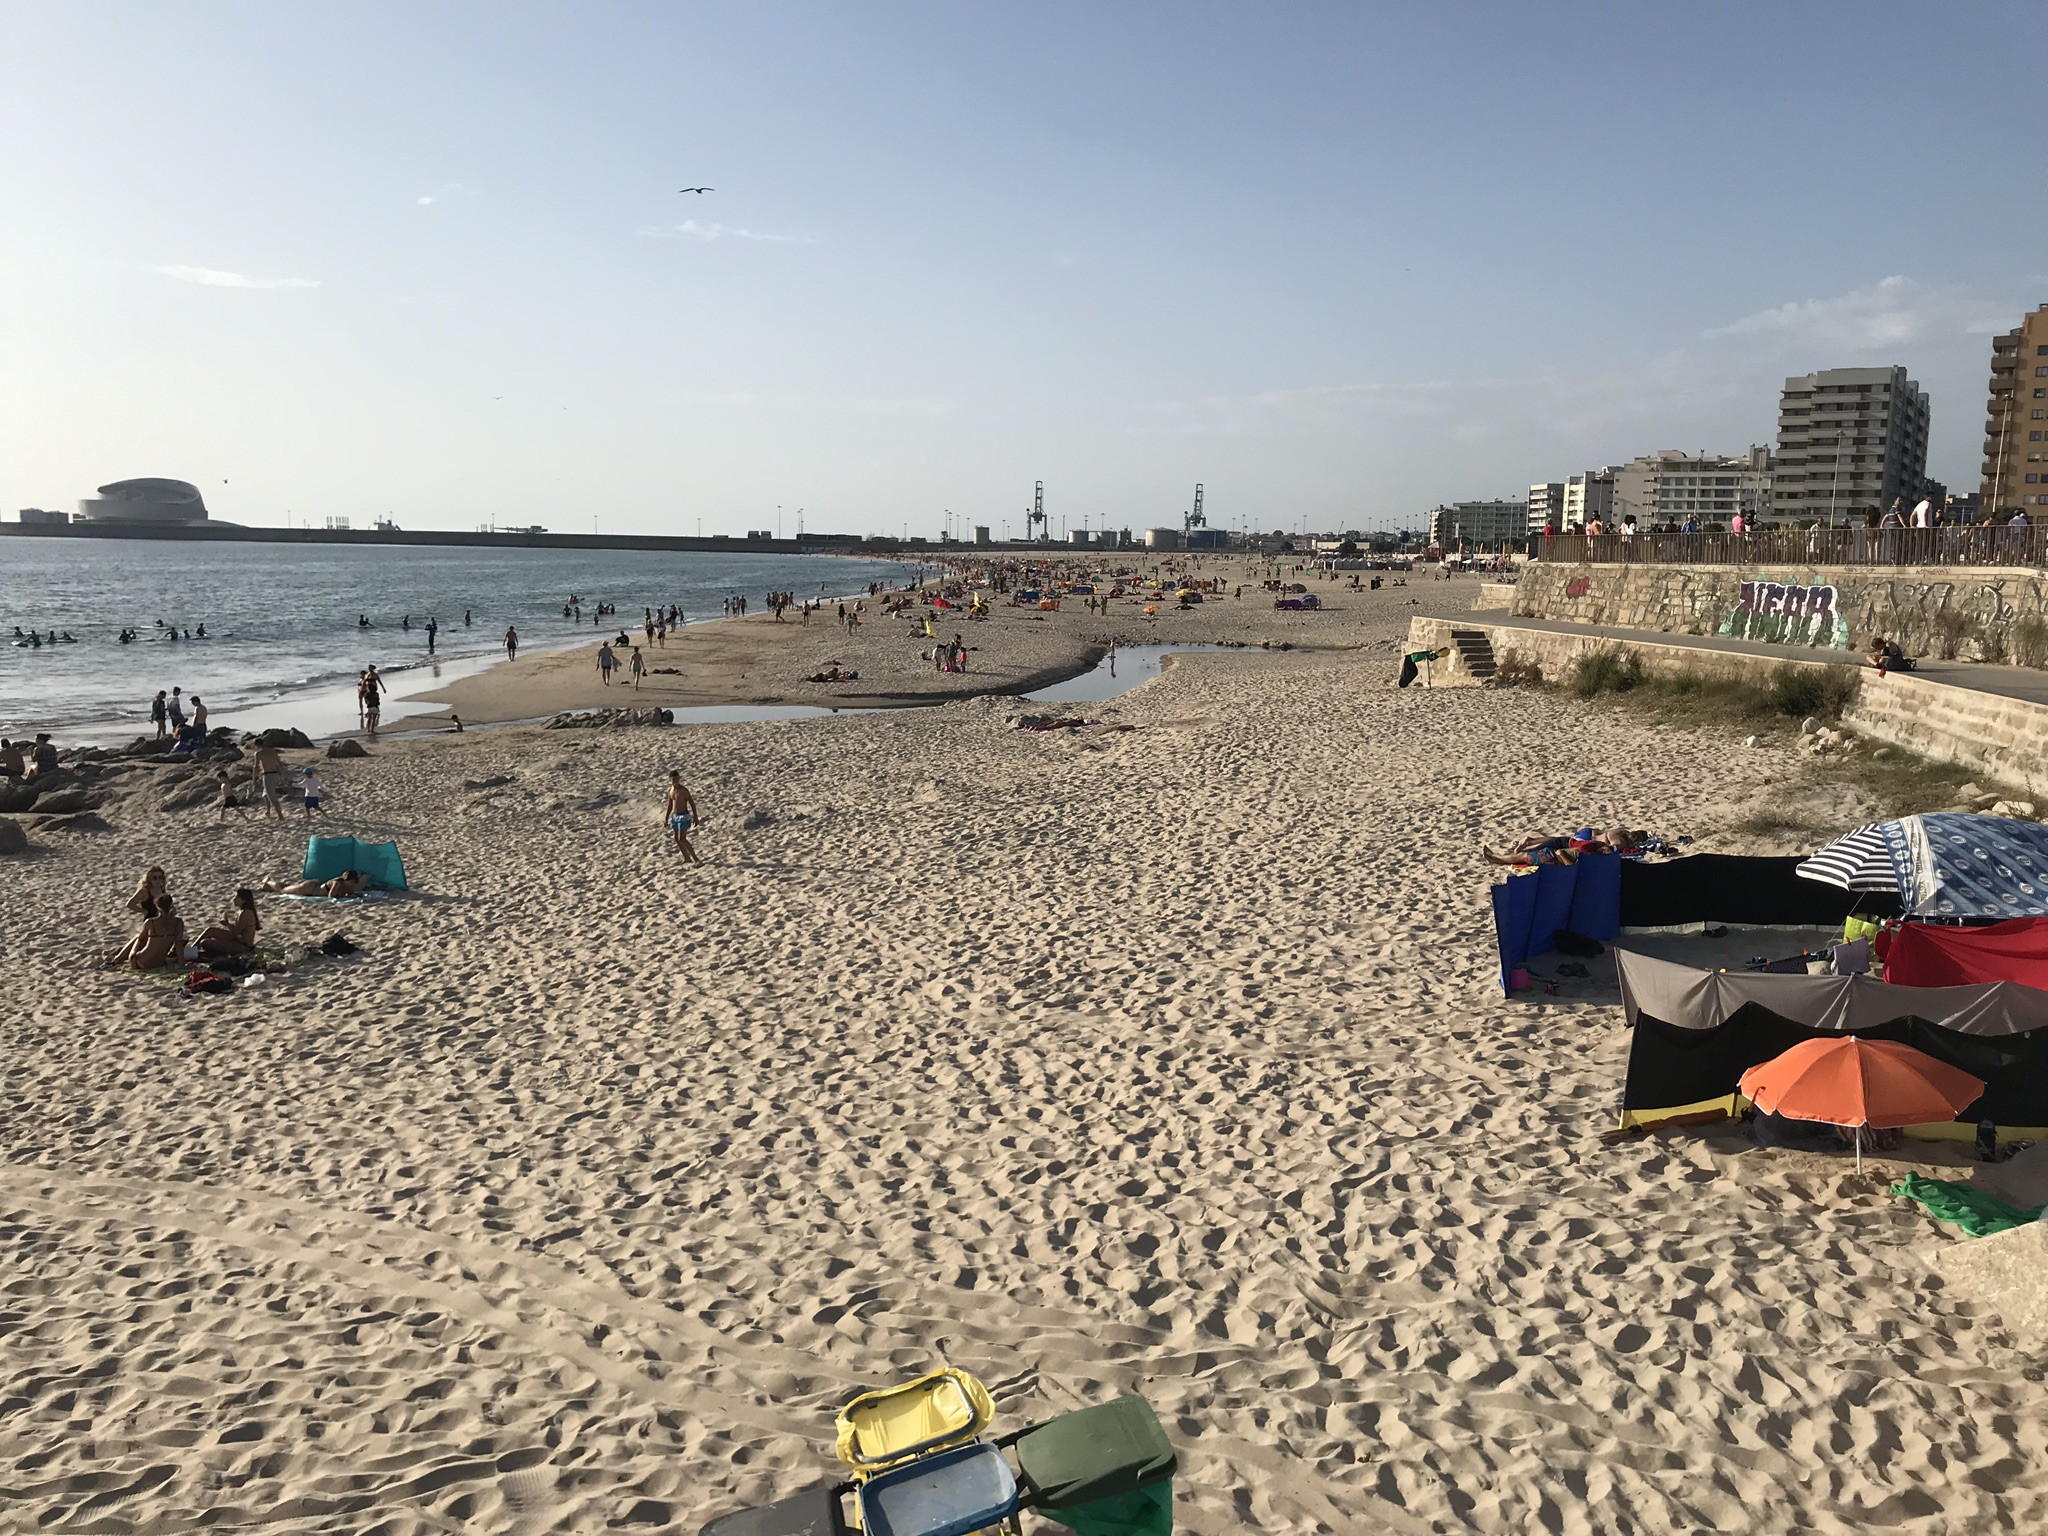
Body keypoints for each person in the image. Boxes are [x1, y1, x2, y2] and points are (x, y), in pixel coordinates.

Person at [105, 894, 187, 970]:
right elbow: (178, 945)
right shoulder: (178, 922)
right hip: (159, 963)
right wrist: (182, 963)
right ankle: (118, 956)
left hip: (143, 962)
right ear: (171, 906)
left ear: (157, 906)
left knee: (138, 937)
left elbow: (140, 941)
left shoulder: (150, 922)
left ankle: (117, 958)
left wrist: (133, 956)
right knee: (145, 938)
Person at [196, 888, 261, 957]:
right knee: (210, 930)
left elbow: (236, 933)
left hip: (243, 946)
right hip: (238, 940)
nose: (234, 899)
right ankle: (192, 949)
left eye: (237, 897)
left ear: (243, 900)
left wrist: (227, 924)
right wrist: (227, 924)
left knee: (205, 942)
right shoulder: (242, 912)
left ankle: (199, 953)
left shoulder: (246, 913)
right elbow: (238, 931)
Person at [261, 869, 368, 899]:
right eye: (351, 882)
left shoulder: (350, 885)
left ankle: (267, 887)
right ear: (346, 880)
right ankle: (268, 881)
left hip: (313, 889)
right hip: (310, 889)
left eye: (353, 882)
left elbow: (350, 893)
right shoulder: (338, 882)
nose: (352, 884)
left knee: (288, 887)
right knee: (283, 890)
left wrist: (355, 895)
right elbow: (331, 896)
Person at [665, 769, 699, 862]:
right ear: (670, 780)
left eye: (677, 779)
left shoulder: (683, 790)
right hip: (675, 816)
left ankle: (695, 858)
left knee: (682, 838)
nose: (676, 781)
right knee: (676, 838)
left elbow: (692, 803)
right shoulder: (670, 790)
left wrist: (695, 817)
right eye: (673, 779)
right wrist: (666, 818)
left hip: (684, 815)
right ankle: (687, 858)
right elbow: (670, 805)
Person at [250, 741, 289, 820]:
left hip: (267, 775)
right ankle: (268, 811)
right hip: (275, 774)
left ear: (256, 745)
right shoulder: (273, 751)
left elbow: (256, 767)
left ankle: (280, 816)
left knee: (272, 796)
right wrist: (284, 774)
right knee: (265, 794)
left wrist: (253, 780)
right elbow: (279, 763)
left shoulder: (258, 753)